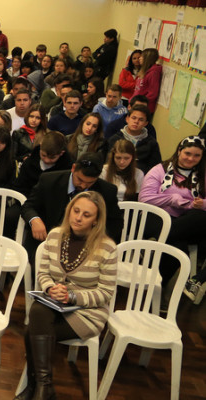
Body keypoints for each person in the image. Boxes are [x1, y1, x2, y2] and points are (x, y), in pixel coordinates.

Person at [10, 191, 117, 400]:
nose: (78, 218)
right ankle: (42, 387)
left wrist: (72, 295)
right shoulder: (56, 235)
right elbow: (43, 274)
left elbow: (105, 293)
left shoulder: (107, 248)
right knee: (39, 314)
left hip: (87, 312)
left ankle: (36, 387)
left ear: (96, 220)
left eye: (86, 215)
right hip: (53, 302)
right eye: (76, 211)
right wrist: (50, 287)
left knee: (33, 331)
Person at [21, 153, 123, 262]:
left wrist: (95, 237)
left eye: (90, 183)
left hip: (86, 245)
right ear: (73, 168)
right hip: (46, 239)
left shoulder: (107, 191)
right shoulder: (49, 180)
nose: (83, 186)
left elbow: (115, 224)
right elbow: (28, 206)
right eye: (80, 179)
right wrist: (34, 220)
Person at [138, 135, 206, 284]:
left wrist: (202, 204)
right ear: (179, 151)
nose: (190, 159)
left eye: (196, 156)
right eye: (187, 153)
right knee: (179, 249)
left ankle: (154, 285)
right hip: (155, 216)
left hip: (183, 221)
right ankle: (154, 287)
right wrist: (173, 199)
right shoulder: (159, 170)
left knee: (198, 219)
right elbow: (145, 198)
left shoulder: (202, 176)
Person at [105, 105, 161, 172]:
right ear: (127, 119)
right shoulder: (115, 139)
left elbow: (155, 168)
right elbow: (108, 163)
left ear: (146, 123)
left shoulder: (151, 143)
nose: (136, 122)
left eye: (141, 119)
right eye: (133, 118)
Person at [132, 48, 162, 113]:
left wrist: (140, 104)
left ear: (147, 59)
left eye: (142, 56)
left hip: (143, 108)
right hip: (135, 104)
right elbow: (138, 89)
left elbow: (152, 94)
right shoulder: (144, 71)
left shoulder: (153, 73)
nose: (139, 58)